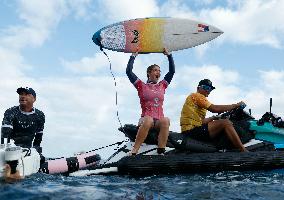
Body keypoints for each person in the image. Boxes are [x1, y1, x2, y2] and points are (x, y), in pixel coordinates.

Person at [126, 48, 175, 155]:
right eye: (156, 70)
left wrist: (169, 56)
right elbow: (129, 72)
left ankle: (161, 151)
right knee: (148, 120)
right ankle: (134, 150)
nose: (159, 72)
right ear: (149, 73)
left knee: (166, 120)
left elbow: (172, 72)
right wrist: (133, 56)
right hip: (145, 119)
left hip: (158, 121)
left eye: (159, 71)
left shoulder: (162, 85)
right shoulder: (141, 85)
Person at [180, 79, 248, 152]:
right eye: (206, 88)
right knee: (226, 123)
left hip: (192, 130)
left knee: (222, 122)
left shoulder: (197, 102)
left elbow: (202, 121)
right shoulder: (197, 96)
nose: (208, 90)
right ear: (198, 88)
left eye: (210, 89)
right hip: (192, 131)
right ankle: (243, 150)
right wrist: (236, 105)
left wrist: (215, 117)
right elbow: (215, 108)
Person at [1, 87, 45, 181]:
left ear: (34, 99)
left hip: (27, 151)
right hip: (11, 148)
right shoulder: (11, 112)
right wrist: (5, 151)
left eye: (27, 94)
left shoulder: (40, 115)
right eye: (21, 94)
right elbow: (5, 135)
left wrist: (37, 153)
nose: (22, 96)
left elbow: (38, 137)